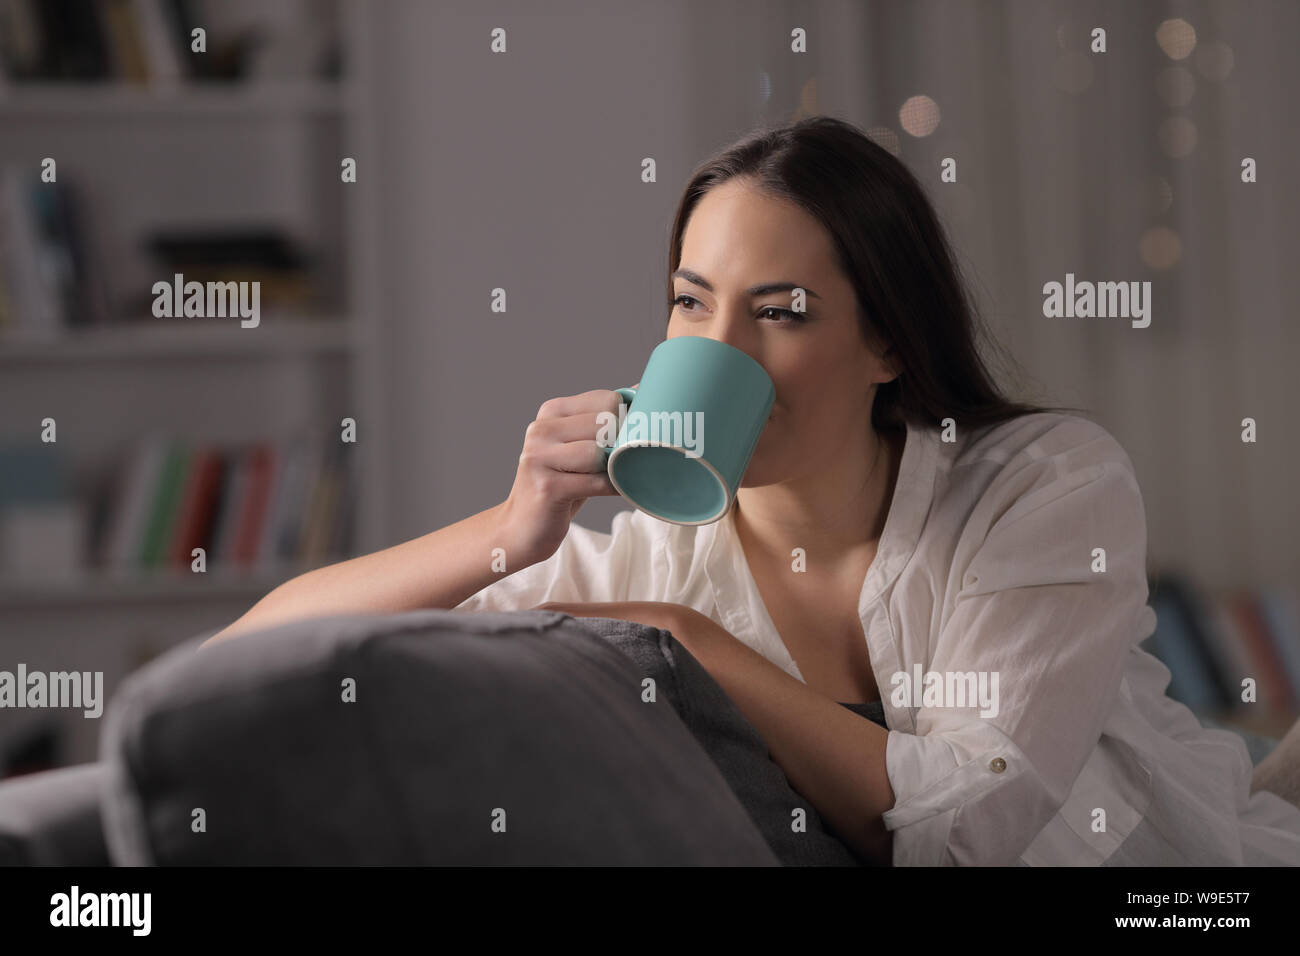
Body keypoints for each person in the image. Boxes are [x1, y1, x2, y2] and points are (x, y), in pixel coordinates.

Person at [203, 116, 1300, 867]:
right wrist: (512, 530)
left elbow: (967, 831)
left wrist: (686, 641)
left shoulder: (1043, 483)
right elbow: (242, 668)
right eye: (691, 303)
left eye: (778, 311)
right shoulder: (642, 563)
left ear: (884, 341)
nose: (721, 349)